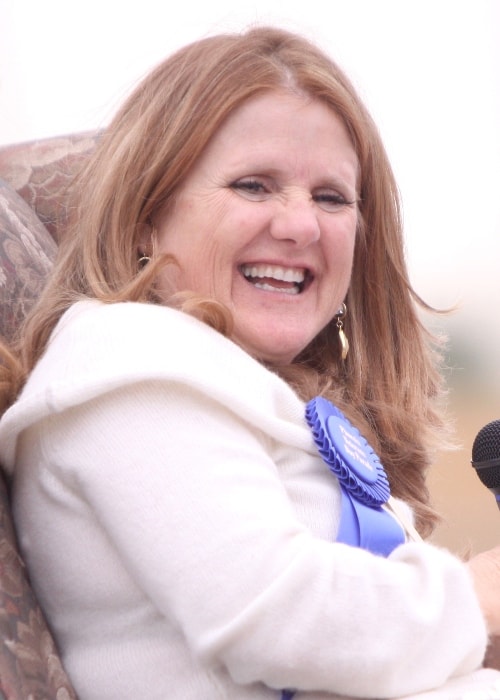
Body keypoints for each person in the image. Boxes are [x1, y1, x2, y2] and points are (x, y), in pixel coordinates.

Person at [0, 25, 500, 700]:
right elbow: (276, 616)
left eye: (331, 198)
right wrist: (478, 595)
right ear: (146, 216)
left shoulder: (230, 388)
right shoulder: (126, 360)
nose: (301, 225)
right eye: (254, 186)